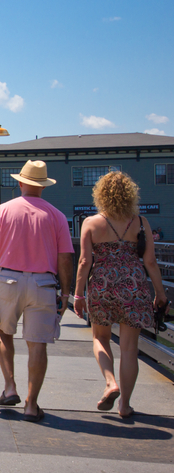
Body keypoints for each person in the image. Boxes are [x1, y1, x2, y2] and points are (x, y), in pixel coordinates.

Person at [0, 160, 74, 423]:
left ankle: (10, 386)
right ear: (43, 186)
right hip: (44, 284)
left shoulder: (4, 210)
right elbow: (66, 258)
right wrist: (67, 293)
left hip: (9, 280)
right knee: (38, 345)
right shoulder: (57, 216)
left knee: (4, 332)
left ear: (21, 182)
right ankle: (31, 404)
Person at [73, 172, 168, 418]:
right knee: (129, 348)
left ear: (100, 194)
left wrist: (78, 295)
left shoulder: (91, 223)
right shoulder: (140, 222)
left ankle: (110, 382)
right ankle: (124, 405)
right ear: (130, 194)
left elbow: (84, 261)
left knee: (100, 338)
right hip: (134, 285)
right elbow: (150, 261)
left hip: (102, 285)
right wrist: (160, 293)